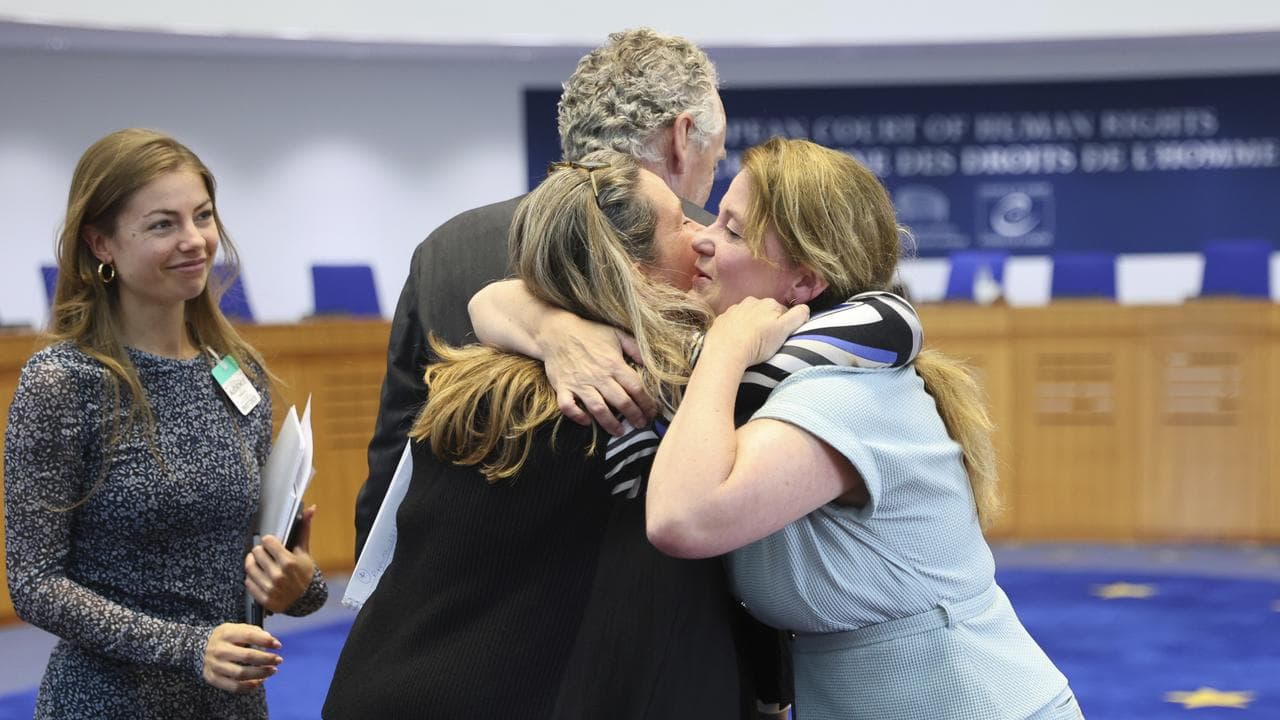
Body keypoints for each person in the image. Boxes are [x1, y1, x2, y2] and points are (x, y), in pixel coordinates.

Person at [348, 27, 794, 718]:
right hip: (641, 670)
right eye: (716, 151)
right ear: (684, 138)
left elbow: (394, 463)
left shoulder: (450, 248)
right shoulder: (717, 265)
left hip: (432, 656)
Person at [642, 137, 1082, 719]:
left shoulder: (845, 397)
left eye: (734, 231)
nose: (703, 237)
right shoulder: (793, 377)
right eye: (716, 218)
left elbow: (682, 519)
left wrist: (725, 349)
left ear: (804, 282)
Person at [324, 151, 726, 718]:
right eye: (682, 223)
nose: (704, 234)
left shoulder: (477, 374)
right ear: (635, 269)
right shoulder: (626, 403)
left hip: (380, 678)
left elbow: (491, 299)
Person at [3, 128, 328, 720]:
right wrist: (188, 647)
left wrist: (298, 585)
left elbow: (254, 552)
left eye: (202, 216)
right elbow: (35, 583)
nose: (194, 240)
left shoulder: (238, 372)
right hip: (106, 704)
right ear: (101, 243)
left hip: (233, 702)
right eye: (162, 224)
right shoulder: (62, 382)